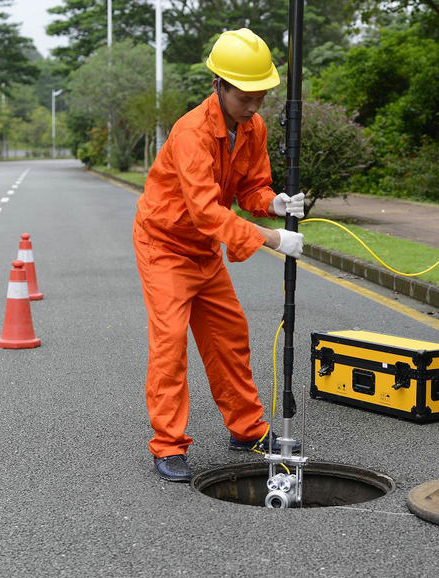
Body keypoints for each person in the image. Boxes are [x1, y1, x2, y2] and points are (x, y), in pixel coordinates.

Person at [133, 28, 304, 482]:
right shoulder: (191, 133)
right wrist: (270, 239)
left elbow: (250, 186)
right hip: (165, 245)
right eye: (245, 96)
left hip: (204, 249)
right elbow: (206, 210)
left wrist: (273, 203)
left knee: (229, 336)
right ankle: (168, 445)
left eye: (261, 96)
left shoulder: (253, 126)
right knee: (170, 346)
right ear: (220, 85)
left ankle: (246, 429)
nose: (253, 106)